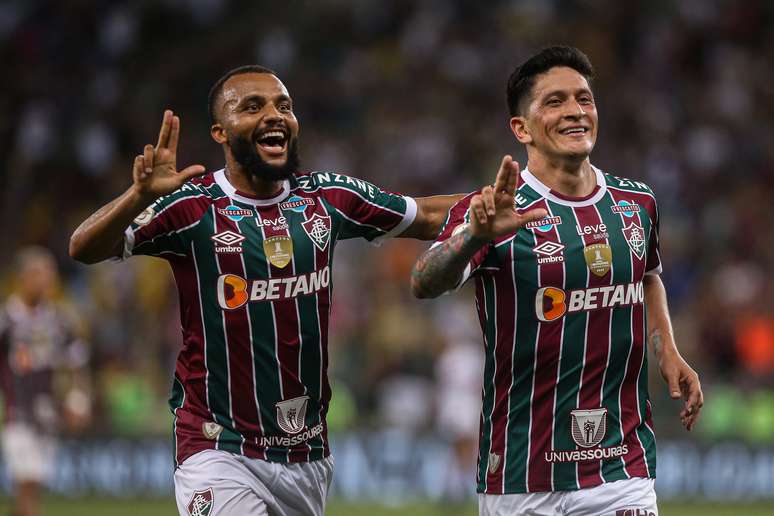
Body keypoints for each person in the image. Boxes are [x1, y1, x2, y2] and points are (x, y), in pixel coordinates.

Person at [69, 65, 461, 516]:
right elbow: (84, 248)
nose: (275, 115)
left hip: (306, 452)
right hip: (218, 445)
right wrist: (137, 197)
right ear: (220, 131)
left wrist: (514, 203)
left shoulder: (326, 198)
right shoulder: (192, 206)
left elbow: (428, 215)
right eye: (253, 107)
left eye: (284, 106)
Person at [410, 46, 703, 515]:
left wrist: (666, 347)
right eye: (555, 101)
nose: (575, 111)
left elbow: (648, 275)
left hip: (619, 464)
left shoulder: (636, 203)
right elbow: (424, 280)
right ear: (521, 128)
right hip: (521, 471)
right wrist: (472, 237)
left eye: (584, 99)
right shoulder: (492, 210)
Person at [0, 247, 90, 516]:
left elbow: (77, 362)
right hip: (15, 412)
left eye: (50, 275)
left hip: (47, 413)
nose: (47, 282)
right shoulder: (7, 320)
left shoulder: (59, 321)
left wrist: (78, 400)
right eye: (41, 275)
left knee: (33, 485)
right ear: (23, 277)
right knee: (26, 483)